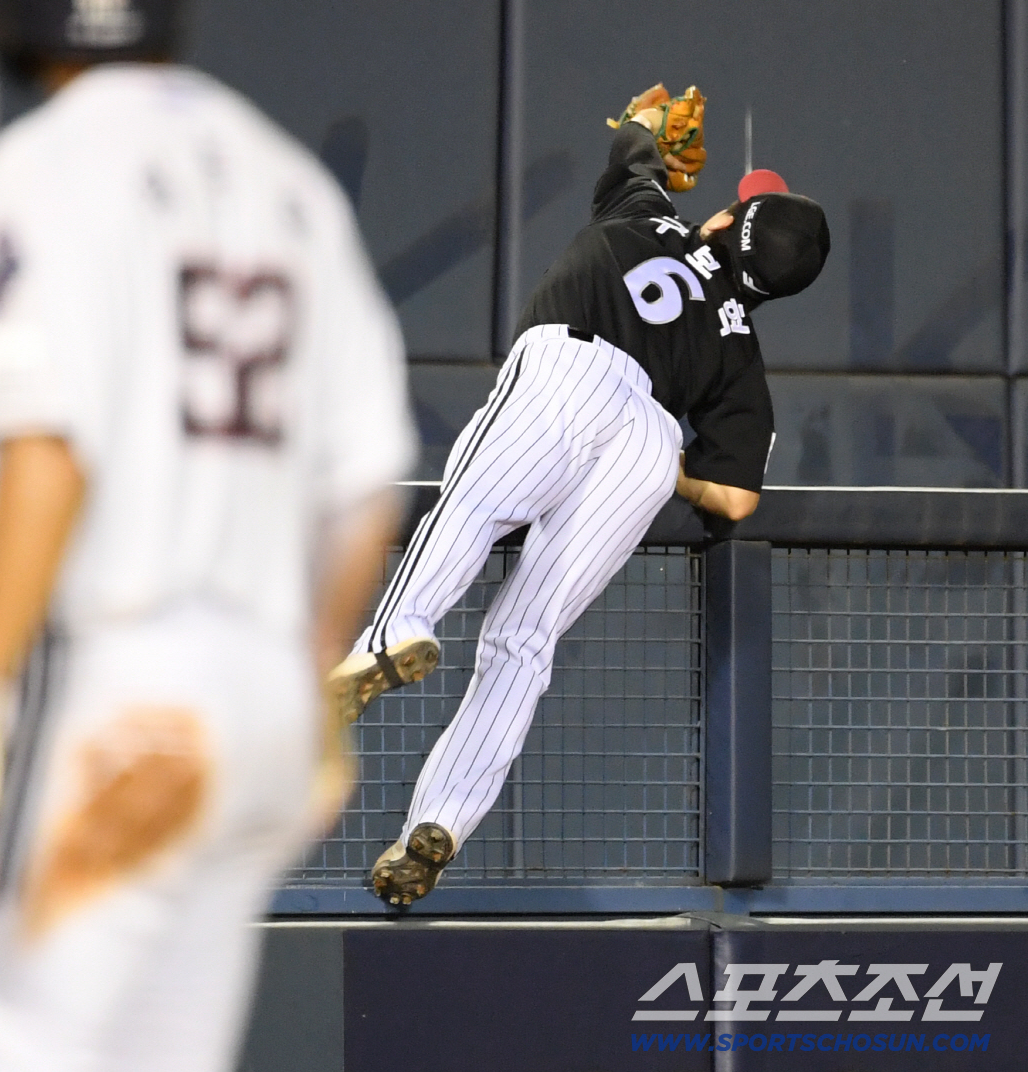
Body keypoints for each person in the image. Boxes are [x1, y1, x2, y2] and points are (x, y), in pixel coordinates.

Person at [0, 0, 418, 1072]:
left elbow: (50, 452)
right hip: (255, 712)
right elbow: (365, 488)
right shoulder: (283, 176)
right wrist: (290, 688)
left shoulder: (43, 163)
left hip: (113, 695)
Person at [328, 88, 829, 906]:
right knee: (526, 637)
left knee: (473, 507)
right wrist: (674, 471)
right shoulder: (740, 346)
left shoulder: (650, 214)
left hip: (572, 369)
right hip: (650, 440)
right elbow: (735, 500)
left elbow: (635, 140)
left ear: (718, 224)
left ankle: (395, 634)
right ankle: (442, 825)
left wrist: (650, 127)